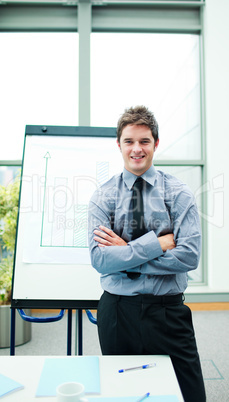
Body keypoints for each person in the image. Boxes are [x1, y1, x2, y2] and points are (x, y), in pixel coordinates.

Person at [88, 105, 206, 402]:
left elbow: (189, 256)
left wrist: (125, 256)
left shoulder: (178, 193)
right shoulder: (103, 196)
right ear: (119, 145)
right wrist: (159, 244)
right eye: (129, 141)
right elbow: (100, 260)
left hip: (167, 312)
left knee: (190, 395)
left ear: (155, 143)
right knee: (123, 396)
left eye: (144, 141)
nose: (136, 149)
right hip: (117, 313)